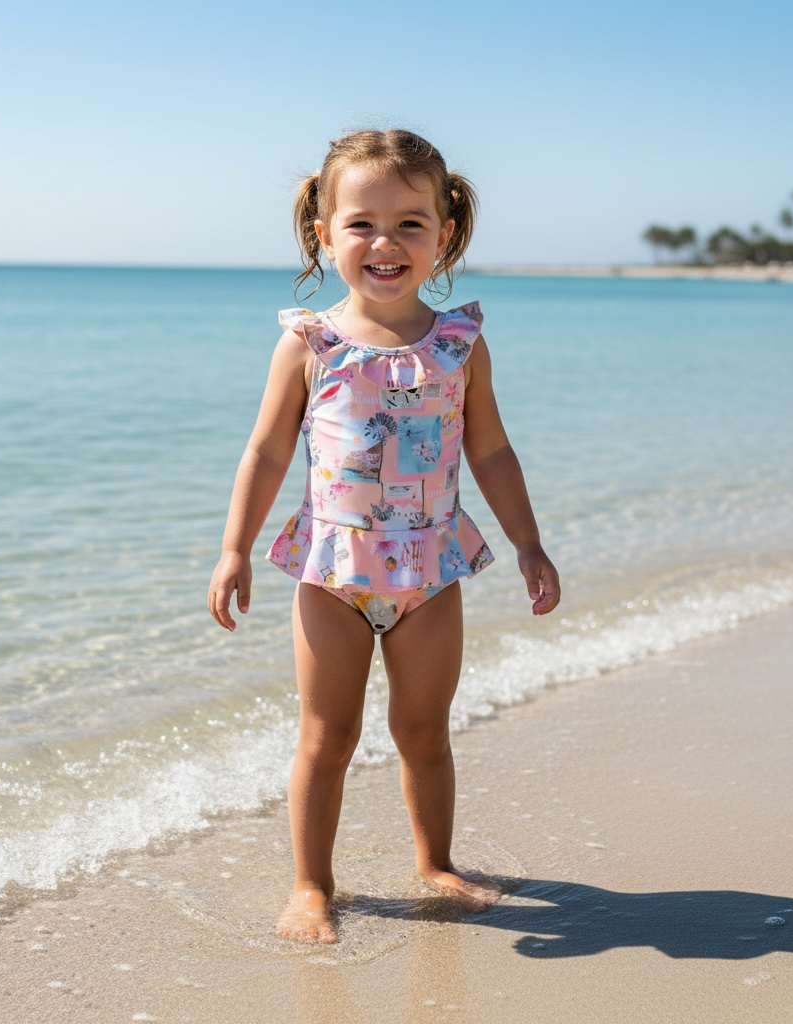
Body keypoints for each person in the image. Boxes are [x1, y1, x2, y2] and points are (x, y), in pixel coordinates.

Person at [208, 129, 560, 944]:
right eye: (361, 222)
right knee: (327, 737)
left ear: (444, 235)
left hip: (431, 569)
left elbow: (492, 449)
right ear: (324, 234)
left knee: (424, 731)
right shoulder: (309, 344)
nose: (385, 242)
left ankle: (434, 862)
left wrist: (529, 542)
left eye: (410, 222)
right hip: (333, 570)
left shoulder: (459, 345)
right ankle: (310, 886)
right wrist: (234, 549)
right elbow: (264, 452)